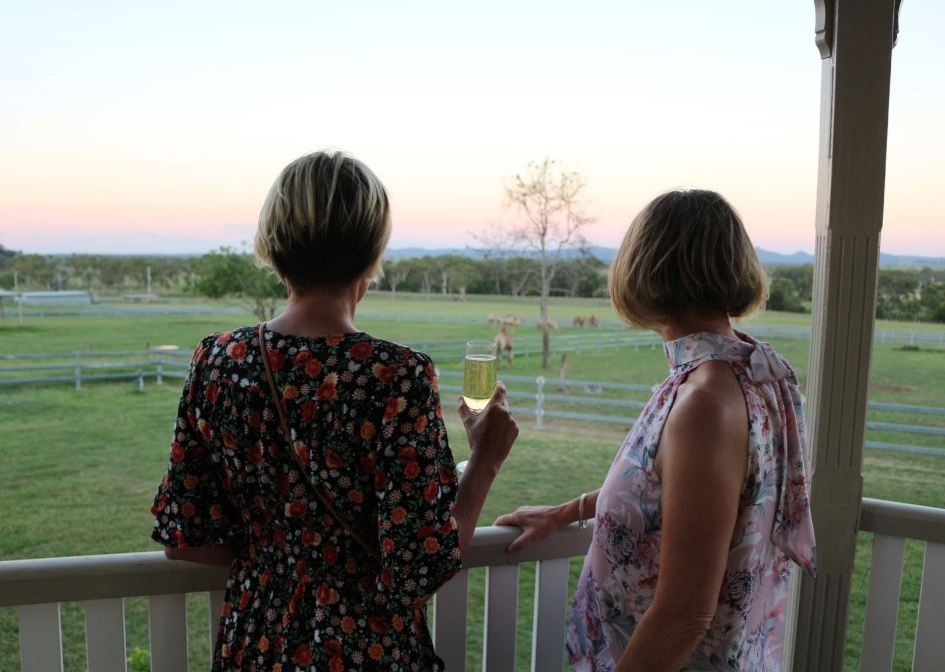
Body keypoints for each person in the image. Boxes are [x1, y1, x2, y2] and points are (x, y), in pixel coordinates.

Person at [151, 150, 518, 671]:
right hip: (365, 650)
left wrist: (283, 560)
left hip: (253, 646)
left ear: (271, 246)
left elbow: (188, 543)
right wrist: (486, 459)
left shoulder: (217, 359)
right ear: (372, 252)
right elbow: (418, 572)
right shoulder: (395, 374)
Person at [495, 189, 817, 671]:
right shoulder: (750, 373)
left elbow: (684, 616)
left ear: (645, 272)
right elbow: (693, 501)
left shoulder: (706, 401)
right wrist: (573, 510)